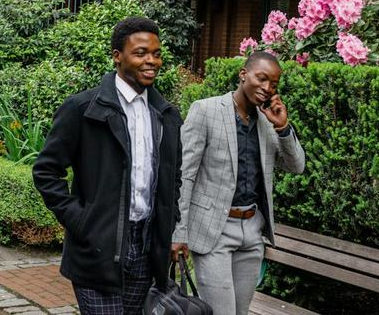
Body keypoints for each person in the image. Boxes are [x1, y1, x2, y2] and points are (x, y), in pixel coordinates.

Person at [33, 17, 183, 314]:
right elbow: (46, 171)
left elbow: (173, 176)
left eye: (156, 53)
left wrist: (169, 223)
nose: (151, 61)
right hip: (98, 250)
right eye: (140, 53)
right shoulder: (83, 108)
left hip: (147, 250)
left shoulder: (166, 114)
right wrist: (82, 222)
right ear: (117, 56)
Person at [171, 51, 305, 315]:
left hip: (253, 232)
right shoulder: (206, 110)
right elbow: (184, 176)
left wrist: (283, 127)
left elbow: (296, 166)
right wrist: (179, 232)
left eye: (274, 85)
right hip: (214, 231)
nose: (267, 89)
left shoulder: (268, 123)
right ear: (243, 74)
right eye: (262, 78)